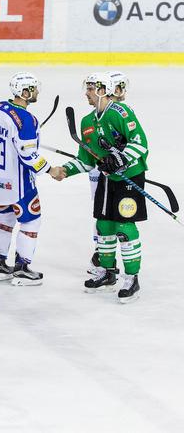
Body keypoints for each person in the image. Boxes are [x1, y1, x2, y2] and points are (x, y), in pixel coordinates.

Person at [50, 72, 147, 303]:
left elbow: (140, 144)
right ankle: (107, 272)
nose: (87, 92)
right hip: (107, 178)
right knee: (104, 225)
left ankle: (132, 278)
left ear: (103, 90)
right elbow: (86, 159)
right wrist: (65, 170)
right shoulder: (87, 122)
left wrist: (120, 159)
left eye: (91, 88)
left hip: (129, 177)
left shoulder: (121, 113)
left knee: (124, 227)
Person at [0, 72, 63, 285]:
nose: (37, 92)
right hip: (17, 183)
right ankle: (22, 268)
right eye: (34, 89)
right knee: (31, 220)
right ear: (25, 92)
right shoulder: (27, 119)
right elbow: (28, 155)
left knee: (4, 220)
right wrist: (50, 169)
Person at [86, 71, 130, 275]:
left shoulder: (121, 112)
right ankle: (101, 252)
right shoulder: (94, 116)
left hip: (115, 173)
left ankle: (103, 254)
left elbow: (136, 143)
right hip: (100, 172)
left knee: (116, 219)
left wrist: (123, 158)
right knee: (102, 216)